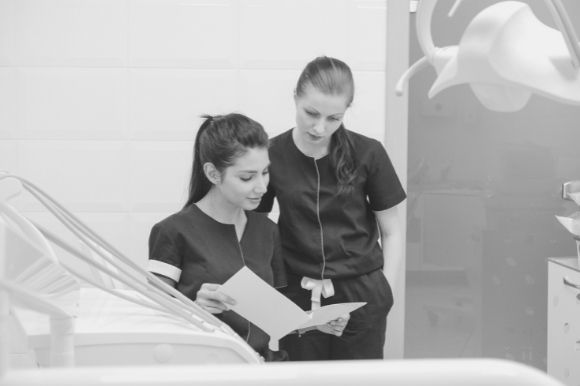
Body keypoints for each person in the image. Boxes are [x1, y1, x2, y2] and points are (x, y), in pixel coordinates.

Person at [147, 113, 347, 362]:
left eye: (265, 172)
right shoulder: (172, 231)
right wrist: (196, 308)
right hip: (203, 370)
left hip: (261, 367)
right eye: (247, 177)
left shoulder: (267, 231)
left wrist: (315, 323)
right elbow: (154, 323)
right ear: (212, 173)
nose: (262, 187)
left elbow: (272, 317)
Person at [256, 56, 407, 361]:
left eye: (334, 118)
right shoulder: (270, 155)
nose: (320, 127)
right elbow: (256, 230)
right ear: (295, 97)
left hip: (360, 295)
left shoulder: (368, 153)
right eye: (311, 113)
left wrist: (385, 293)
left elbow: (392, 231)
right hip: (297, 293)